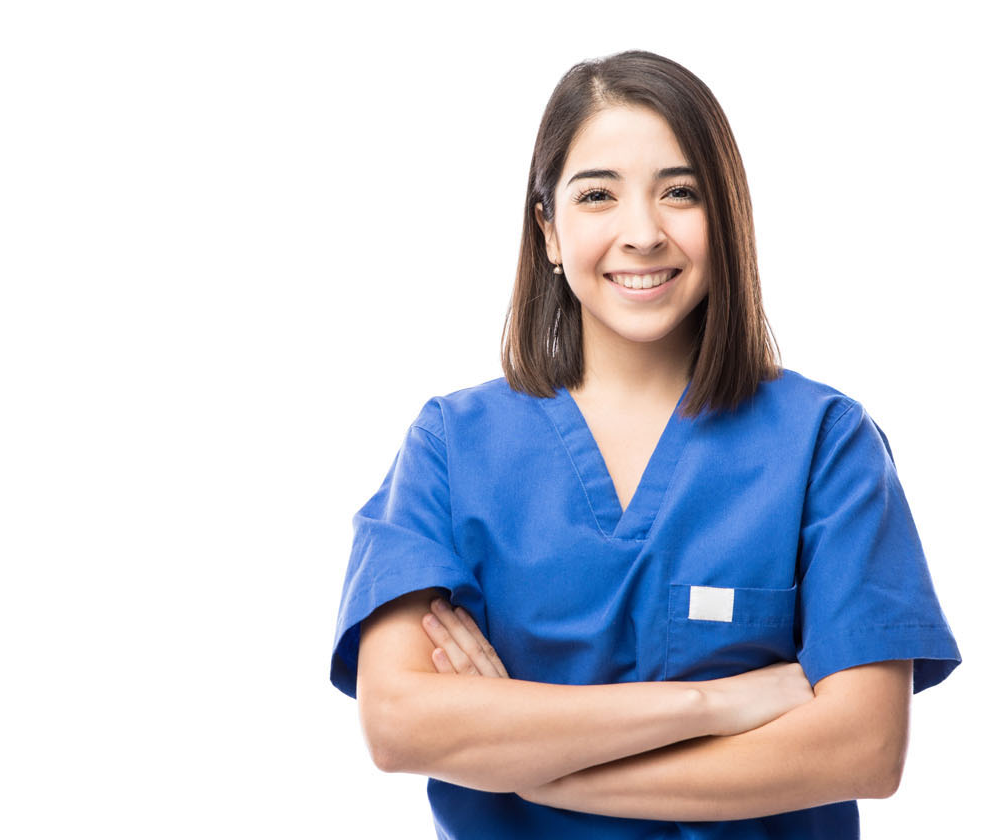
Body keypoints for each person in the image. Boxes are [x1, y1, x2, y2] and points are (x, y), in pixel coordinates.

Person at [325, 50, 961, 838]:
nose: (643, 233)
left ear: (724, 218)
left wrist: (538, 766)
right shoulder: (453, 448)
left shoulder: (826, 445)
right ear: (549, 231)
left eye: (680, 193)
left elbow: (864, 746)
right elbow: (399, 724)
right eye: (598, 195)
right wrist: (714, 703)